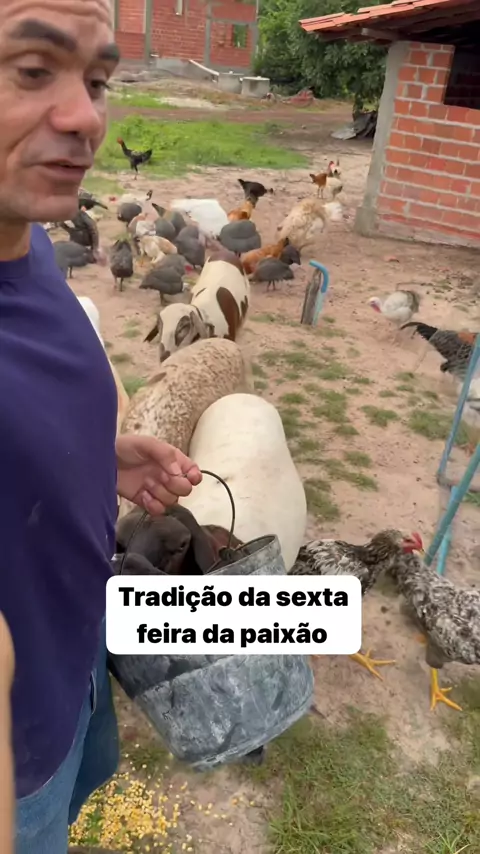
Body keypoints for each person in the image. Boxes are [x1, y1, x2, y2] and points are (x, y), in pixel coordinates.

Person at [0, 1, 202, 851]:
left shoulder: (30, 244)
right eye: (32, 70)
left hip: (77, 658)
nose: (86, 116)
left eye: (98, 79)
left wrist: (90, 458)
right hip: (19, 755)